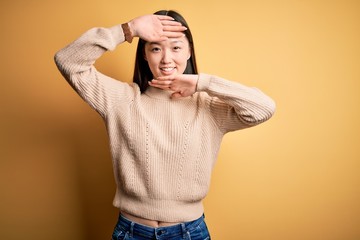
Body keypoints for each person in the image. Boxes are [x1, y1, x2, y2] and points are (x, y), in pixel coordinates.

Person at [54, 9, 275, 240]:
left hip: (189, 233)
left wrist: (203, 82)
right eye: (156, 48)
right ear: (145, 55)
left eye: (176, 47)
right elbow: (68, 60)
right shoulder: (121, 100)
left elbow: (264, 108)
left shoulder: (208, 107)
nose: (166, 59)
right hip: (131, 232)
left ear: (189, 51)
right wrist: (128, 29)